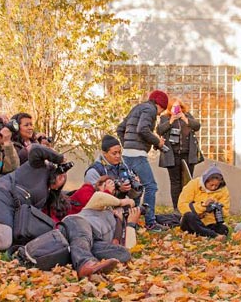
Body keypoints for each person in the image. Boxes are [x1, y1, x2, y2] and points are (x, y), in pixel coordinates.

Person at [117, 90, 169, 232]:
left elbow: (120, 129)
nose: (159, 114)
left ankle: (131, 220)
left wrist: (127, 144)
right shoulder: (150, 109)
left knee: (136, 188)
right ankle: (150, 222)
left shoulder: (137, 108)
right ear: (159, 104)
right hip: (137, 156)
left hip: (127, 154)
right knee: (150, 186)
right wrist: (158, 142)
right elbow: (142, 129)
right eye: (162, 110)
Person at [61, 190, 141, 279]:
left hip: (93, 242)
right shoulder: (102, 208)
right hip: (77, 225)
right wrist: (123, 202)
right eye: (125, 208)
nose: (124, 210)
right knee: (82, 237)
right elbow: (99, 196)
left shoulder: (121, 229)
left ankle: (84, 260)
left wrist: (130, 224)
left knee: (124, 253)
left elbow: (130, 248)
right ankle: (85, 264)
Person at [156, 97, 202, 212]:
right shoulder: (164, 118)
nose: (177, 110)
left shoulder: (187, 116)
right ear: (170, 108)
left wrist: (185, 119)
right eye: (174, 107)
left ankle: (187, 207)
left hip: (188, 154)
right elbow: (159, 130)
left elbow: (197, 126)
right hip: (172, 155)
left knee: (187, 182)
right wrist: (171, 120)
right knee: (175, 182)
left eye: (179, 107)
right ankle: (177, 208)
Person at [178, 165, 230, 238]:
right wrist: (203, 206)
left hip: (210, 223)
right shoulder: (193, 184)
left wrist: (216, 207)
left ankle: (203, 233)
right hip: (192, 222)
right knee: (188, 216)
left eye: (216, 185)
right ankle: (214, 235)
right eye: (211, 185)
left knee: (224, 229)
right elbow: (182, 205)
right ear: (206, 181)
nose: (213, 187)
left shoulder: (223, 190)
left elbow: (225, 213)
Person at [84, 134, 142, 200]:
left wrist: (134, 188)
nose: (118, 156)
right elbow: (94, 199)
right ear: (104, 153)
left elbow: (132, 196)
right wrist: (118, 190)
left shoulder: (123, 167)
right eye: (114, 153)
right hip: (103, 208)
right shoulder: (94, 171)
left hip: (121, 205)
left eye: (119, 152)